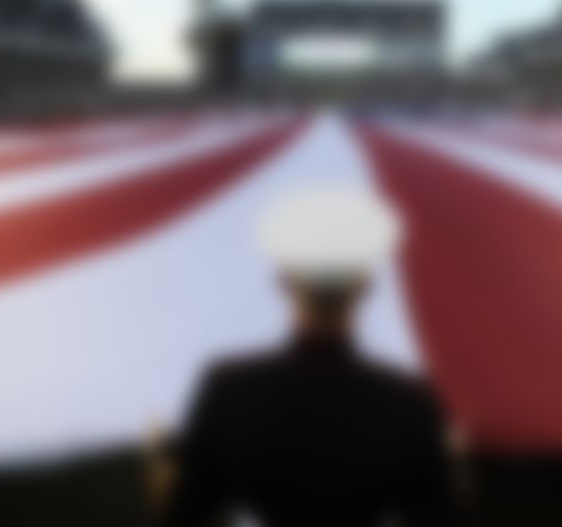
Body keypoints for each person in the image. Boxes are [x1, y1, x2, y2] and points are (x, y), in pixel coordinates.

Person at [164, 185, 460, 527]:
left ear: (283, 280)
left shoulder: (228, 391)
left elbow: (186, 514)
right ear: (365, 284)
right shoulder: (407, 400)